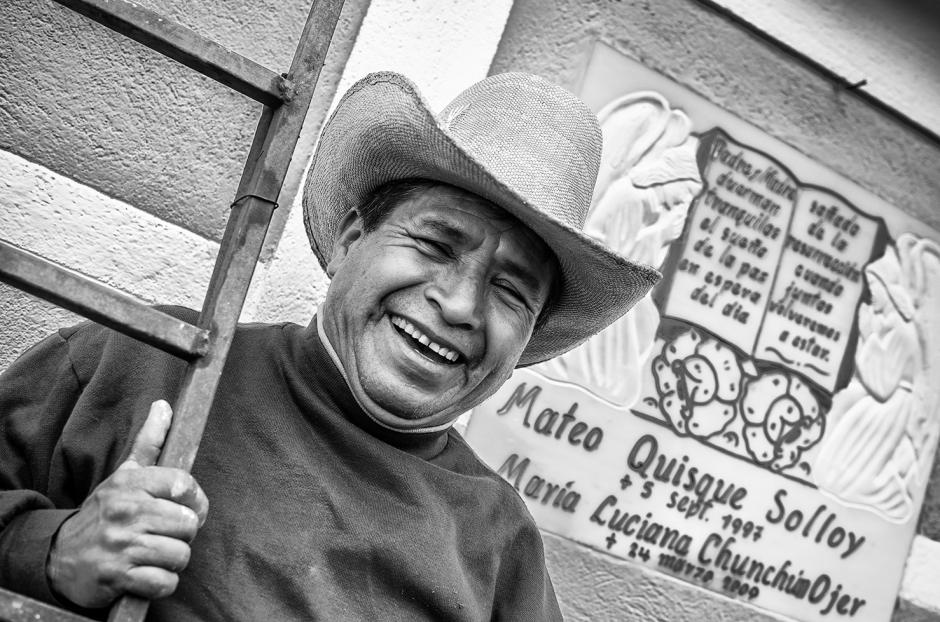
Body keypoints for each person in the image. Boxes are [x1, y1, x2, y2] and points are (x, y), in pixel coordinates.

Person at [0, 71, 659, 620]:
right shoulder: (156, 361)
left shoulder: (498, 538)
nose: (460, 306)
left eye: (511, 290)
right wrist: (53, 552)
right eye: (435, 245)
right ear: (350, 240)